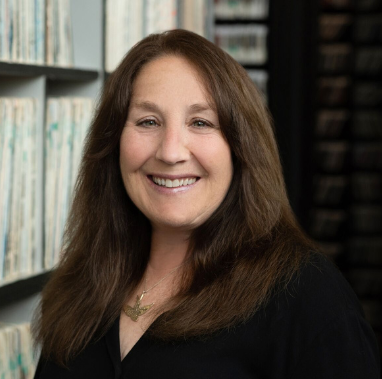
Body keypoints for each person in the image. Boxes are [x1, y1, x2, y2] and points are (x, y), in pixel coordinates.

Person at [33, 29, 380, 378]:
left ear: (241, 147)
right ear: (113, 143)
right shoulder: (77, 285)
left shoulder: (307, 297)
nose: (170, 152)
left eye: (200, 122)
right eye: (148, 121)